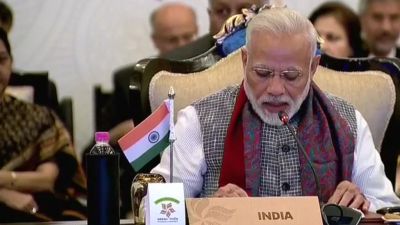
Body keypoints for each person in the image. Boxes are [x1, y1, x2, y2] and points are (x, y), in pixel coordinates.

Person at [151, 7, 400, 212]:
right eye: (263, 73)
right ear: (245, 61)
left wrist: (362, 203)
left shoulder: (347, 121)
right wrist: (206, 209)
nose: (276, 89)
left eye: (291, 76)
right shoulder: (198, 120)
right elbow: (155, 209)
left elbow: (388, 207)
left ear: (313, 68)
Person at [0, 28, 86, 222]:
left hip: (35, 202)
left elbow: (46, 180)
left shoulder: (37, 117)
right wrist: (4, 195)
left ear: (11, 62)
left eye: (2, 60)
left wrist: (4, 181)